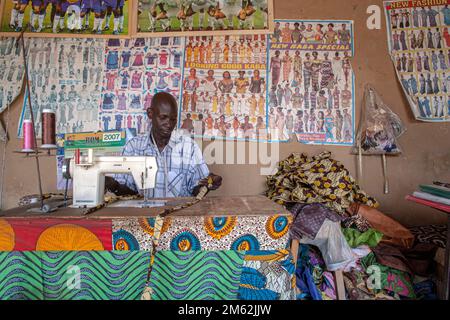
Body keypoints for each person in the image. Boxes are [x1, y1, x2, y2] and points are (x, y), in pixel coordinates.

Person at [106, 92, 222, 198]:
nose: (169, 124)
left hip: (178, 216)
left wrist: (209, 184)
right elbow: (128, 192)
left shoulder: (189, 147)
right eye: (163, 118)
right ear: (150, 114)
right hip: (143, 216)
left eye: (173, 119)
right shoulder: (133, 147)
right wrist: (114, 185)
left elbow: (197, 189)